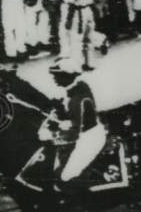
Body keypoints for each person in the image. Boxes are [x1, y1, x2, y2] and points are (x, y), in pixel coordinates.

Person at [45, 58, 108, 187]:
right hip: (87, 131)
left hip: (89, 138)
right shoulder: (79, 86)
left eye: (57, 75)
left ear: (67, 76)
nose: (54, 78)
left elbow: (74, 134)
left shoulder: (76, 100)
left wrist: (52, 135)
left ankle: (84, 203)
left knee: (66, 176)